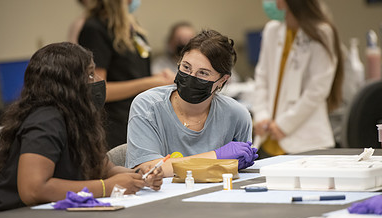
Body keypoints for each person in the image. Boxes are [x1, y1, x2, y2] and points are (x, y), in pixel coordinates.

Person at [0, 42, 163, 215]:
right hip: (16, 217)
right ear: (67, 85)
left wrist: (139, 177)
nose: (99, 81)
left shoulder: (78, 119)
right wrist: (107, 187)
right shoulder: (45, 121)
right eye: (90, 75)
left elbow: (104, 169)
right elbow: (34, 190)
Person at [126, 30, 258, 177]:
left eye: (203, 73)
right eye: (186, 67)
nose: (191, 77)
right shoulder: (147, 106)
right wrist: (216, 157)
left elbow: (238, 174)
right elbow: (146, 170)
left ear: (222, 80)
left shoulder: (236, 115)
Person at [252, 0, 344, 157]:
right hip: (268, 138)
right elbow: (262, 77)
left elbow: (317, 90)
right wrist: (261, 115)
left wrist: (284, 125)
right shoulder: (272, 30)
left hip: (306, 140)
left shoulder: (322, 32)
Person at [78, 0, 175, 149]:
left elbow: (131, 71)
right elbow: (98, 91)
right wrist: (150, 82)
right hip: (115, 125)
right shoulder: (95, 29)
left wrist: (159, 77)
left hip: (139, 117)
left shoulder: (130, 27)